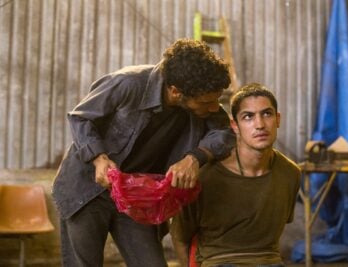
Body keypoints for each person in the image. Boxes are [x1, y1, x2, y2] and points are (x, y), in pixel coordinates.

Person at [52, 38, 235, 267]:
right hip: (87, 189)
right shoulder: (128, 83)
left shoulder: (202, 100)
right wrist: (99, 158)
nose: (213, 107)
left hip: (137, 196)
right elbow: (80, 117)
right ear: (176, 92)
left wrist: (194, 158)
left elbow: (225, 134)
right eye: (206, 102)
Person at [170, 83, 301, 267]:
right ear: (235, 126)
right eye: (248, 117)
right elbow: (180, 237)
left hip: (269, 261)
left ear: (278, 119)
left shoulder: (290, 173)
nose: (260, 125)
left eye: (267, 114)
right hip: (219, 261)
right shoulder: (205, 177)